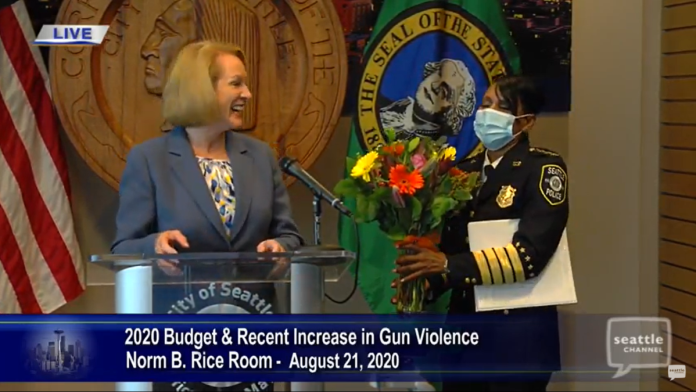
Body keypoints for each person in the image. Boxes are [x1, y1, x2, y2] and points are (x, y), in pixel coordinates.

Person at [393, 75, 569, 392]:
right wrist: (420, 280)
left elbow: (529, 256)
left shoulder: (543, 169)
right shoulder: (466, 171)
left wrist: (447, 266)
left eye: (500, 108)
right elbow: (452, 249)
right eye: (485, 105)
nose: (487, 114)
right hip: (465, 335)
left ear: (525, 122)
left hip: (518, 340)